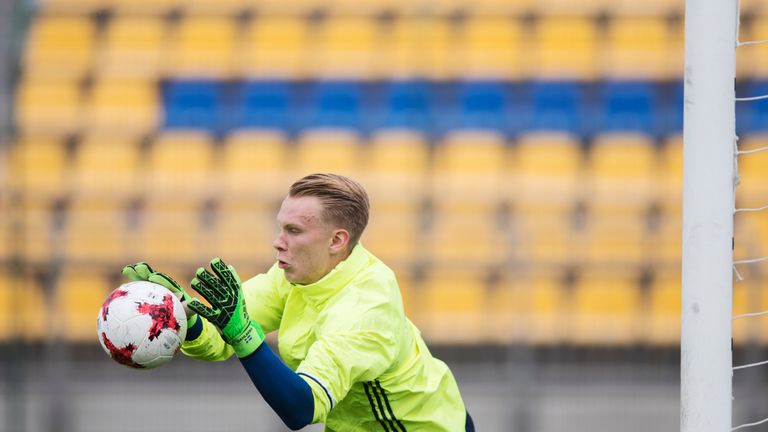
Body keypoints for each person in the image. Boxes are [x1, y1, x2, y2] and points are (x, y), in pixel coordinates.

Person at [122, 173, 475, 431]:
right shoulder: (294, 273)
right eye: (280, 228)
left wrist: (244, 336)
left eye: (294, 231)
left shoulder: (366, 307)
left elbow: (300, 408)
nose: (278, 242)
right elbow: (221, 340)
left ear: (337, 240)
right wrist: (186, 316)